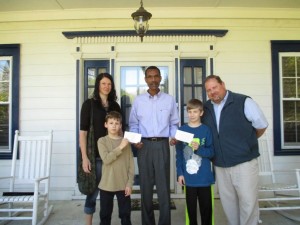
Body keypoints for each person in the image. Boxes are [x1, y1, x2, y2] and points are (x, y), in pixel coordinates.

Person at [202, 75, 268, 225]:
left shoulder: (243, 101)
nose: (212, 92)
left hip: (243, 162)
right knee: (229, 204)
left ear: (223, 85)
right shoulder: (206, 108)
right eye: (208, 90)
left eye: (215, 87)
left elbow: (261, 125)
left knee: (248, 202)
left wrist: (246, 142)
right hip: (220, 164)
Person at [129, 66, 179, 225]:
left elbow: (174, 123)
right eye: (150, 77)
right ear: (145, 79)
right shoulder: (138, 101)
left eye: (156, 76)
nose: (153, 80)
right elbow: (133, 124)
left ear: (160, 78)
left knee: (164, 188)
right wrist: (135, 140)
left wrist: (174, 136)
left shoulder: (169, 100)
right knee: (146, 187)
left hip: (163, 145)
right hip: (144, 146)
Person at [79, 73, 122, 225]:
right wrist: (84, 157)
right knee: (92, 193)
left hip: (112, 156)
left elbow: (120, 131)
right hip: (95, 157)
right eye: (103, 83)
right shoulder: (89, 105)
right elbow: (83, 133)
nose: (106, 86)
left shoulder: (115, 106)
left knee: (108, 194)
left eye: (109, 84)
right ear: (98, 85)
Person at [176, 98, 214, 225]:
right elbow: (179, 155)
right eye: (189, 111)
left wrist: (199, 149)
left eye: (195, 112)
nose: (192, 115)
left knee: (206, 211)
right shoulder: (181, 131)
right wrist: (180, 173)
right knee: (191, 211)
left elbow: (211, 152)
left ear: (201, 113)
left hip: (204, 178)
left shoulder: (206, 130)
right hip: (189, 178)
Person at [97, 111, 134, 225]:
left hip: (123, 185)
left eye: (117, 123)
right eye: (111, 123)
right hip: (106, 185)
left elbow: (131, 164)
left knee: (125, 216)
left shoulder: (126, 141)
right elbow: (107, 159)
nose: (114, 125)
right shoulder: (102, 141)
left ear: (120, 125)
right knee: (105, 215)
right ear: (106, 124)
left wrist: (129, 184)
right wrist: (120, 147)